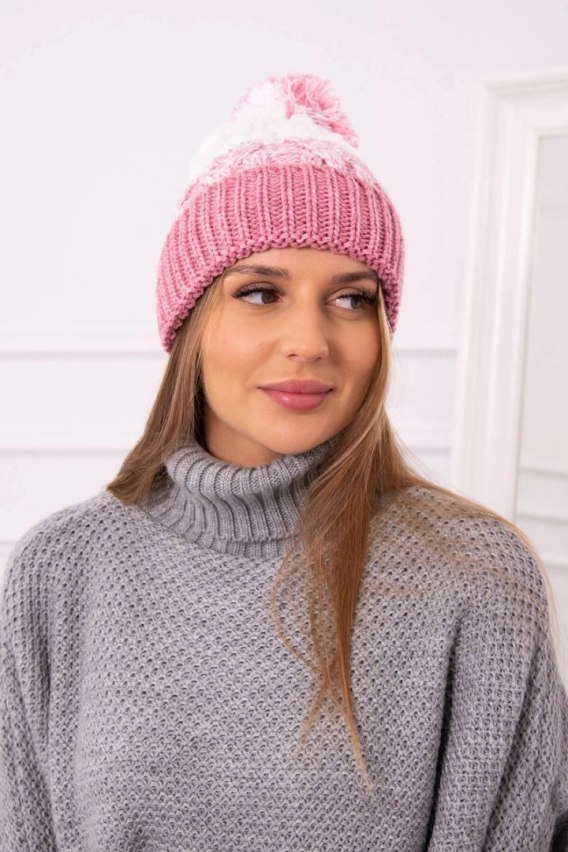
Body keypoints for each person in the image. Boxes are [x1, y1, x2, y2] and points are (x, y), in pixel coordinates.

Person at [1, 72, 567, 851]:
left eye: (352, 299)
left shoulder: (476, 578)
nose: (309, 341)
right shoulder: (60, 571)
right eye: (262, 293)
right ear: (191, 322)